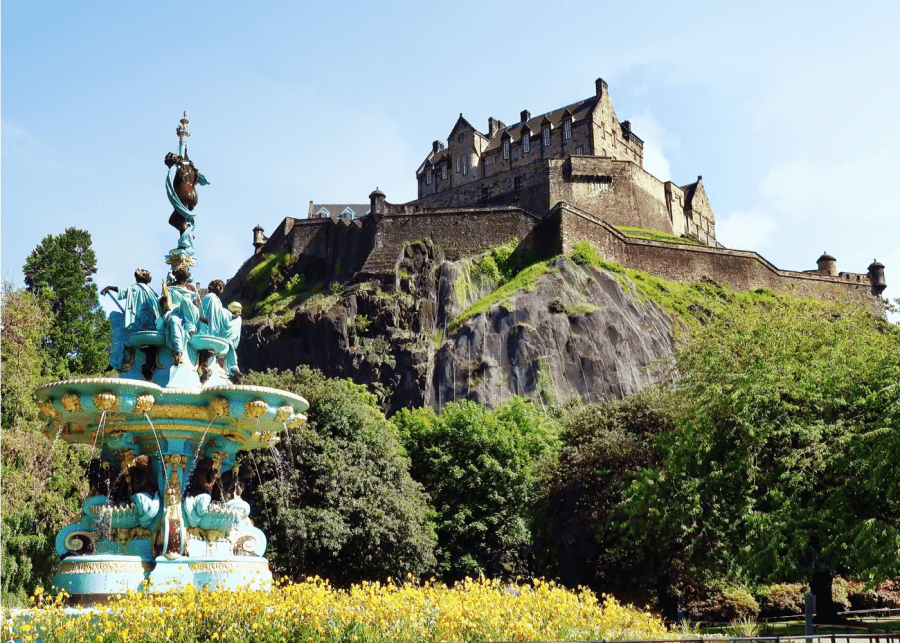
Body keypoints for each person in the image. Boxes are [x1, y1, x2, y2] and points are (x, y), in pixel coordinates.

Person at [101, 269, 161, 370]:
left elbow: (123, 291)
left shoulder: (135, 288)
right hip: (153, 325)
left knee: (118, 329)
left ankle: (115, 362)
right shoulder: (152, 292)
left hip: (138, 325)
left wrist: (109, 287)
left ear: (138, 279)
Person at [157, 265, 200, 365]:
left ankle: (190, 327)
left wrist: (200, 317)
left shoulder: (192, 289)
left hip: (189, 315)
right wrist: (163, 301)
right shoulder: (170, 288)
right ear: (180, 273)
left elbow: (197, 306)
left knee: (185, 301)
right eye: (187, 270)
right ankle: (178, 351)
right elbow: (161, 304)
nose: (189, 272)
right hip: (175, 313)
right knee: (173, 321)